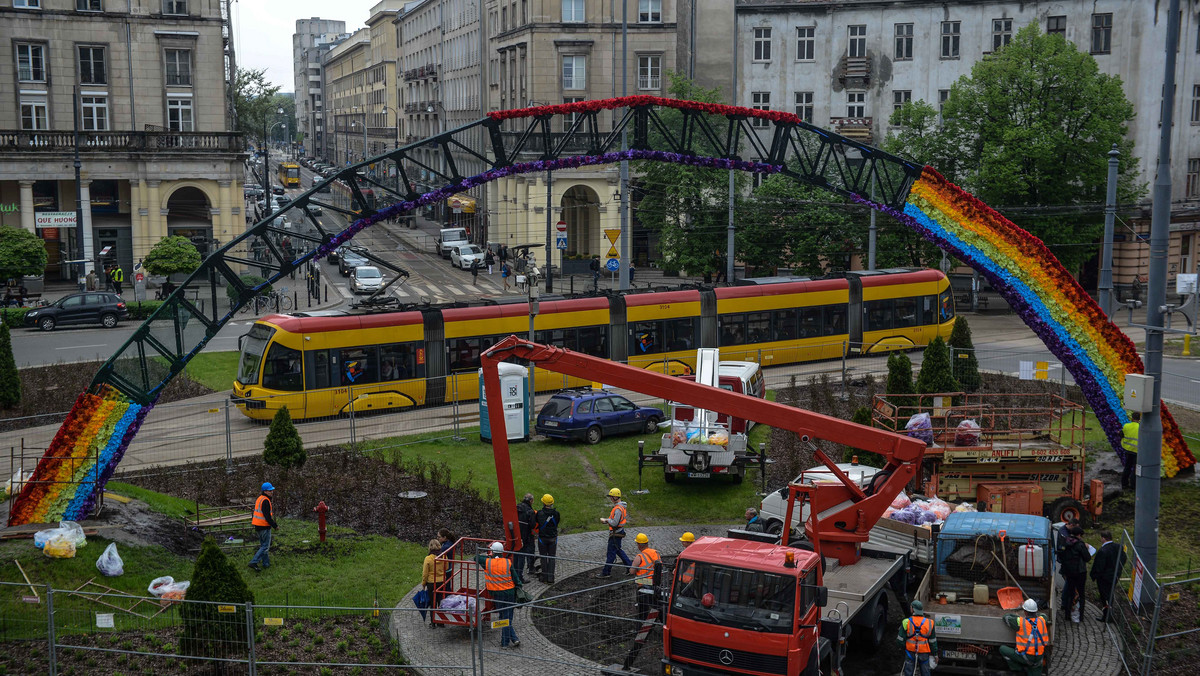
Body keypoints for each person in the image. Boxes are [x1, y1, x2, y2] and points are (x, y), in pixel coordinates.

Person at [475, 541, 521, 648]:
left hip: (498, 594)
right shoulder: (507, 562)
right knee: (507, 617)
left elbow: (475, 557)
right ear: (502, 552)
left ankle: (505, 643)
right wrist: (519, 586)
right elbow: (516, 578)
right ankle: (513, 639)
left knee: (504, 617)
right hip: (510, 593)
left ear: (492, 552)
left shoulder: (487, 562)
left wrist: (488, 556)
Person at [1000, 599, 1049, 675]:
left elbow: (1006, 617)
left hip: (1025, 657)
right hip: (1038, 658)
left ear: (1025, 612)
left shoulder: (1021, 622)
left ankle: (1018, 669)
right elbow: (1044, 615)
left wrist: (1016, 616)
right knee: (1036, 670)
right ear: (1035, 611)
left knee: (1002, 649)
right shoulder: (1042, 620)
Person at [595, 487, 632, 578]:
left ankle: (606, 572)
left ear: (616, 497)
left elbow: (615, 523)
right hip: (618, 532)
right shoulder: (620, 507)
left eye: (612, 497)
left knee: (611, 553)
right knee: (618, 551)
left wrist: (606, 520)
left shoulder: (618, 509)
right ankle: (630, 567)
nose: (610, 498)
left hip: (615, 533)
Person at [1057, 524, 1091, 623]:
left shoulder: (1065, 542)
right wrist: (1087, 548)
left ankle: (1067, 614)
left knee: (1070, 592)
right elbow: (1087, 558)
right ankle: (1080, 615)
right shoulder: (1080, 544)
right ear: (1079, 535)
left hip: (1068, 571)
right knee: (1081, 593)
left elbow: (1061, 554)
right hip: (1080, 572)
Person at [897, 600, 937, 676]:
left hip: (910, 652)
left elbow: (900, 640)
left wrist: (905, 647)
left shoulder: (906, 622)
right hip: (924, 652)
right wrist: (935, 654)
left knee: (908, 673)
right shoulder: (929, 623)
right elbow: (933, 641)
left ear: (912, 609)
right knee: (925, 673)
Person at [1091, 530, 1123, 622]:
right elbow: (1123, 558)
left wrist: (1095, 575)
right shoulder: (1118, 547)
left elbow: (1099, 566)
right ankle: (1110, 614)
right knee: (1110, 595)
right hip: (1114, 575)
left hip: (1104, 578)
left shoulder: (1103, 551)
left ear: (1103, 538)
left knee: (1105, 596)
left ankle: (1107, 616)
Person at [630, 533, 661, 620]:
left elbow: (632, 571)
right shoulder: (656, 552)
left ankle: (642, 620)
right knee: (656, 603)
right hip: (655, 581)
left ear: (639, 545)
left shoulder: (639, 557)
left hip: (644, 583)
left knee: (643, 607)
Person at [248, 482, 278, 572]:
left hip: (258, 526)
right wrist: (275, 526)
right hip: (264, 526)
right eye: (270, 490)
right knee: (265, 546)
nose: (272, 492)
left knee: (263, 545)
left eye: (272, 490)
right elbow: (267, 516)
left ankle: (266, 563)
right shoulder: (265, 501)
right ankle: (254, 561)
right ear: (265, 491)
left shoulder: (259, 499)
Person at [422, 538, 447, 627]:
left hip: (432, 583)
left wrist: (423, 584)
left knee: (433, 602)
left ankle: (433, 622)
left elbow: (425, 573)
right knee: (440, 601)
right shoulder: (444, 556)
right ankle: (441, 622)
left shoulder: (428, 559)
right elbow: (447, 567)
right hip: (441, 581)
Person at [535, 494, 559, 583]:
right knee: (552, 558)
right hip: (553, 538)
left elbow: (537, 522)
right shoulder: (556, 514)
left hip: (542, 539)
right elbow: (557, 523)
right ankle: (551, 578)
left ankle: (544, 578)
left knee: (543, 557)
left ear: (543, 503)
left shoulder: (539, 513)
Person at [515, 493, 537, 581]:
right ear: (531, 501)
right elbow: (532, 525)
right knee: (522, 556)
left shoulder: (517, 507)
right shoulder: (530, 511)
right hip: (525, 536)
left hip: (516, 535)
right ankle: (520, 577)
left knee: (515, 555)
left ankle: (514, 576)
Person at [1121, 412, 1140, 490]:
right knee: (1135, 469)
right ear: (1139, 419)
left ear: (1132, 418)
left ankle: (1124, 484)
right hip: (1137, 451)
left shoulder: (1126, 426)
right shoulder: (1141, 427)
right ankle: (1133, 486)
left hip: (1128, 450)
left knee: (1127, 467)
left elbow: (1121, 434)